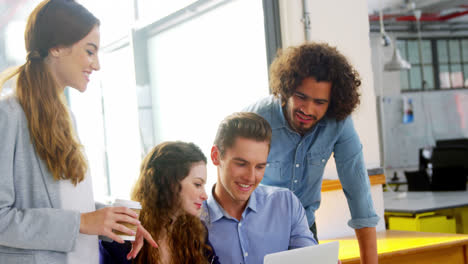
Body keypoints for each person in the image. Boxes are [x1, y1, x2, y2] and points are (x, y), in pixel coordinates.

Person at [0, 1, 155, 263]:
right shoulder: (9, 115)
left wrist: (109, 219)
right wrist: (83, 222)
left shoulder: (66, 118)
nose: (96, 65)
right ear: (57, 47)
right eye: (90, 51)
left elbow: (67, 210)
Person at [244, 42, 379, 263]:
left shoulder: (339, 123)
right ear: (287, 89)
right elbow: (230, 183)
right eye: (301, 97)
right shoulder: (257, 118)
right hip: (256, 233)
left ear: (332, 103)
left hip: (304, 230)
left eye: (319, 102)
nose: (308, 109)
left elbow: (359, 193)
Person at [203, 112, 317, 264]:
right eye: (241, 164)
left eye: (260, 166)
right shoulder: (191, 221)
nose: (250, 177)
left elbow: (309, 259)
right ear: (216, 156)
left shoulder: (286, 204)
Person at [100, 141, 220, 264]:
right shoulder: (124, 236)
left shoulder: (197, 232)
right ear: (170, 183)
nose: (205, 196)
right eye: (197, 184)